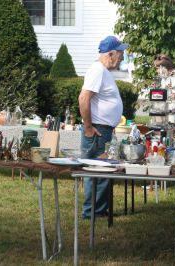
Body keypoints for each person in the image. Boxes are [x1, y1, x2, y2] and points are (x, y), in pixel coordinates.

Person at [78, 35, 128, 219]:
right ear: (111, 53)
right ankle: (92, 212)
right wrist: (88, 126)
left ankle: (98, 210)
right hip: (97, 130)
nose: (122, 57)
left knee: (104, 170)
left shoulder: (103, 71)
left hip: (103, 129)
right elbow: (84, 98)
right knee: (97, 170)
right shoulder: (97, 70)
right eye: (120, 53)